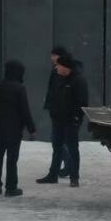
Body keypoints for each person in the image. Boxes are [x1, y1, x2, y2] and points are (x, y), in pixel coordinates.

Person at [0, 59, 36, 197]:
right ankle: (11, 187)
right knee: (12, 159)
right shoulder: (19, 88)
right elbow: (24, 110)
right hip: (14, 130)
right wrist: (31, 128)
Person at [38, 54, 88, 187]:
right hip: (57, 120)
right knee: (57, 147)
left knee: (72, 149)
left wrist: (76, 119)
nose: (56, 68)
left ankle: (74, 177)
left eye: (58, 65)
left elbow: (82, 103)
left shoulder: (78, 80)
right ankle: (52, 175)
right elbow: (53, 96)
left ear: (66, 67)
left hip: (71, 121)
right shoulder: (59, 78)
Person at [45, 45, 74, 177]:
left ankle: (68, 166)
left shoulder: (62, 71)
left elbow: (58, 91)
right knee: (59, 141)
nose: (52, 58)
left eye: (54, 55)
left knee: (57, 141)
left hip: (60, 111)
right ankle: (66, 167)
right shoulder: (57, 69)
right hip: (57, 110)